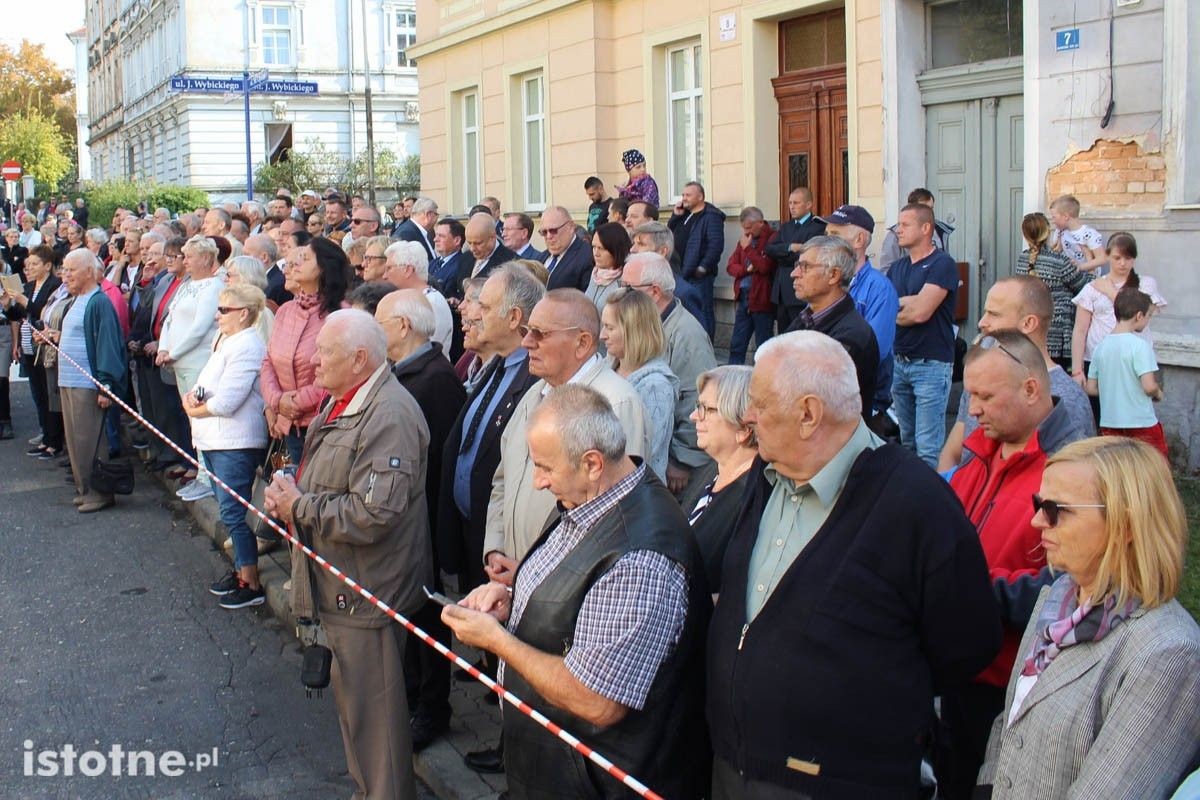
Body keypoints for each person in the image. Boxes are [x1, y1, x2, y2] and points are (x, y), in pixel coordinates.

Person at [707, 330, 1001, 799]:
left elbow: (965, 645)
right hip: (734, 770)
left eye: (759, 403)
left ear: (808, 413)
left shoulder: (916, 506)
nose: (747, 415)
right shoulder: (767, 477)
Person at [442, 384, 711, 800]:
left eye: (545, 468)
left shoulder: (641, 557)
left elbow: (596, 700)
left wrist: (498, 640)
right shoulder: (594, 498)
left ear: (591, 463)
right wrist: (516, 602)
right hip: (556, 772)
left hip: (594, 785)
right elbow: (579, 600)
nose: (537, 482)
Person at [264, 309, 432, 800]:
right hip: (343, 585)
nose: (313, 362)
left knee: (375, 727)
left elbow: (374, 513)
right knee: (356, 715)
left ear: (360, 359)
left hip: (366, 590)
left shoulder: (389, 414)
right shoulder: (349, 400)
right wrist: (294, 494)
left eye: (325, 353)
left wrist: (302, 505)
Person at [977, 437, 1200, 799]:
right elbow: (1010, 722)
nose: (1036, 520)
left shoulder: (1167, 653)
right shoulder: (1058, 599)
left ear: (1126, 523)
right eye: (1038, 503)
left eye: (1055, 508)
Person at [939, 331, 1087, 799]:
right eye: (969, 396)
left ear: (1031, 389)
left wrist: (972, 590)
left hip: (1013, 686)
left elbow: (1068, 586)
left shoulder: (1070, 473)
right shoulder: (978, 457)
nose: (973, 410)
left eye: (984, 396)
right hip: (957, 672)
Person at [481, 288, 650, 587]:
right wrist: (495, 547)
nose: (526, 342)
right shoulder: (537, 393)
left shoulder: (616, 403)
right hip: (517, 577)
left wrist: (537, 569)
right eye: (525, 331)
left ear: (582, 342)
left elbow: (615, 517)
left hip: (565, 590)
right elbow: (502, 479)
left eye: (539, 333)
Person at [376, 288, 466, 752]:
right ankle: (411, 694)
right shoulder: (406, 372)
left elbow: (441, 459)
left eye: (381, 321)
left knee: (427, 613)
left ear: (405, 326)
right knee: (409, 609)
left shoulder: (434, 378)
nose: (376, 329)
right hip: (408, 518)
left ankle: (433, 706)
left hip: (425, 518)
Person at [439, 264, 544, 592]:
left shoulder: (536, 380)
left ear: (514, 318)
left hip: (505, 549)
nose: (473, 314)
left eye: (484, 307)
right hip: (475, 535)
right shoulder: (495, 364)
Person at [939, 275, 1096, 473]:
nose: (981, 322)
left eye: (993, 314)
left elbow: (1068, 484)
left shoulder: (1066, 399)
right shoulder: (983, 377)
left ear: (1029, 323)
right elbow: (954, 452)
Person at [185, 284, 270, 609]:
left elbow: (229, 400)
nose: (217, 316)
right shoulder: (227, 341)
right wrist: (195, 396)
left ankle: (251, 580)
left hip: (235, 440)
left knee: (235, 511)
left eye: (224, 310)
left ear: (244, 313)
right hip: (216, 438)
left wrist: (195, 408)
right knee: (227, 508)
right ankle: (240, 569)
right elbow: (209, 384)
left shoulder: (248, 345)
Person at [620, 252, 716, 495]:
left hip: (670, 467)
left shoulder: (687, 334)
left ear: (654, 292)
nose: (621, 295)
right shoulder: (640, 325)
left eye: (628, 288)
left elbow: (699, 397)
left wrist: (682, 459)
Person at [53, 250, 129, 514]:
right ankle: (85, 488)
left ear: (88, 271)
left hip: (87, 383)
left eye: (71, 270)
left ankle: (100, 492)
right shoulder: (77, 299)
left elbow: (108, 345)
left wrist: (105, 384)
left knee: (91, 440)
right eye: (64, 269)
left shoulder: (99, 302)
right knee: (75, 441)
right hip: (69, 381)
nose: (66, 275)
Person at [889, 202, 960, 467]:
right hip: (900, 362)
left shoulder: (942, 264)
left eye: (905, 225)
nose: (898, 230)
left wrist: (904, 305)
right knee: (907, 441)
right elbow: (891, 307)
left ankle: (931, 502)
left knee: (928, 447)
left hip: (931, 364)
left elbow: (921, 313)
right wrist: (907, 303)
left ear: (926, 228)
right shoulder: (897, 267)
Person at [157, 235, 225, 500]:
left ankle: (209, 477)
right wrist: (164, 348)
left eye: (189, 256)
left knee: (201, 417)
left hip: (197, 362)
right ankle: (200, 472)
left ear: (206, 259)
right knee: (191, 419)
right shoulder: (186, 285)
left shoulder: (213, 286)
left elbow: (200, 328)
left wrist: (173, 353)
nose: (184, 260)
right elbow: (170, 319)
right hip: (179, 363)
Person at [678, 365, 756, 594]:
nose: (694, 417)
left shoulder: (754, 494)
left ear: (744, 427)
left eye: (705, 409)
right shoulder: (711, 469)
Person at [820, 204, 899, 424]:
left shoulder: (879, 288)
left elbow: (872, 351)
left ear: (859, 240)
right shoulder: (826, 281)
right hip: (828, 395)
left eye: (835, 234)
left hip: (863, 400)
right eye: (826, 234)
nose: (826, 241)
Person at [787, 236, 879, 421]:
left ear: (834, 275)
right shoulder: (804, 320)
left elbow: (808, 396)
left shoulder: (851, 335)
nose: (794, 273)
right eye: (798, 264)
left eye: (805, 266)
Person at [1070, 232, 1166, 404]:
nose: (1122, 263)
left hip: (1135, 363)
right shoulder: (1093, 287)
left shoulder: (1145, 284)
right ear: (1108, 256)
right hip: (1098, 361)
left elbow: (1139, 321)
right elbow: (1080, 330)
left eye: (1128, 258)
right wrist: (1077, 370)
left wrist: (1110, 291)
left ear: (1134, 259)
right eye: (1117, 257)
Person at [601, 288, 678, 480]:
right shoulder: (607, 366)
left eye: (610, 328)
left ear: (633, 330)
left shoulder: (655, 387)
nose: (602, 335)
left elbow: (642, 452)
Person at [1086, 288, 1168, 457]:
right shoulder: (1140, 346)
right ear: (1139, 316)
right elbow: (1148, 386)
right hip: (1141, 422)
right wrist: (1158, 393)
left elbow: (1091, 388)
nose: (1147, 321)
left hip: (1110, 423)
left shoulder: (1100, 348)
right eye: (1148, 316)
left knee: (1118, 470)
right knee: (1155, 467)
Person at [7, 246, 63, 455]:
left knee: (50, 395)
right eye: (28, 264)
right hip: (29, 346)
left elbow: (42, 312)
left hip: (45, 347)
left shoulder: (54, 286)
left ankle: (54, 441)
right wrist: (8, 306)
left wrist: (23, 301)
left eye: (34, 264)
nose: (29, 267)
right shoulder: (30, 286)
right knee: (38, 394)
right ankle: (45, 434)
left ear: (47, 266)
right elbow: (18, 314)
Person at [1014, 212, 1088, 371]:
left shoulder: (1022, 259)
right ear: (1047, 232)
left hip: (1031, 332)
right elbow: (1082, 285)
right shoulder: (1059, 260)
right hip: (1058, 333)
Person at [668, 181, 726, 338]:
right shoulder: (684, 215)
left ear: (700, 197)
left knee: (703, 313)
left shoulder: (711, 217)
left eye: (688, 195)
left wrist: (703, 267)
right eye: (683, 195)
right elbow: (668, 233)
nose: (684, 198)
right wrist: (675, 216)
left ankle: (706, 349)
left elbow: (715, 245)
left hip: (698, 276)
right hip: (680, 273)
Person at [765, 187, 825, 331]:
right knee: (783, 336)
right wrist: (790, 247)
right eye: (790, 203)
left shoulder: (817, 227)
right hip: (781, 292)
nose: (792, 207)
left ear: (809, 204)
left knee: (800, 336)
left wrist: (783, 253)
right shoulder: (786, 227)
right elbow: (769, 249)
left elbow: (806, 255)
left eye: (796, 203)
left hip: (800, 292)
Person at [381, 240, 454, 357]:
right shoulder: (415, 299)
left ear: (408, 270)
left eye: (389, 268)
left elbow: (425, 351)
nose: (384, 276)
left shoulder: (432, 303)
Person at [725, 206, 777, 365]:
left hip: (761, 298)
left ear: (760, 223)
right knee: (737, 343)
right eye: (743, 228)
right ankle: (732, 378)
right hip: (743, 297)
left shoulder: (772, 238)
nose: (746, 232)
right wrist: (745, 270)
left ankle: (763, 378)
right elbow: (730, 266)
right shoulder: (744, 239)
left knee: (763, 345)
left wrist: (748, 249)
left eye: (748, 228)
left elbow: (764, 266)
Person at [629, 221, 705, 323]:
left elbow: (694, 335)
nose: (632, 250)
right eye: (633, 243)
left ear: (662, 251)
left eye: (641, 244)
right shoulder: (633, 283)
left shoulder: (684, 293)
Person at [878, 187, 955, 272]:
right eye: (923, 208)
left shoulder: (941, 230)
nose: (928, 213)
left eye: (931, 208)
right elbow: (886, 270)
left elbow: (945, 263)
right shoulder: (895, 234)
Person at [537, 206, 594, 292]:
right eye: (544, 232)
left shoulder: (587, 257)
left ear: (571, 227)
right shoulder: (541, 258)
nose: (548, 236)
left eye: (553, 230)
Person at [1049, 193, 1106, 274]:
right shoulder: (1059, 232)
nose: (1053, 221)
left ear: (1066, 216)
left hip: (1087, 277)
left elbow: (1102, 259)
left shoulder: (1088, 234)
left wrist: (1080, 267)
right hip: (1069, 276)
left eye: (1054, 217)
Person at [584, 221, 631, 316]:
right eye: (594, 247)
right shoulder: (595, 274)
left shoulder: (626, 279)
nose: (596, 253)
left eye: (601, 248)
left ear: (615, 249)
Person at [225, 255, 276, 343]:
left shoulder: (261, 312)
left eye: (229, 275)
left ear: (246, 277)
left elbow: (261, 348)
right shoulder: (234, 306)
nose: (225, 279)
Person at [460, 212, 519, 287]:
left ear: (492, 238)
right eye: (469, 243)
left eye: (478, 243)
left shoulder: (511, 263)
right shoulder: (465, 258)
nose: (472, 249)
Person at [391, 196, 438, 261]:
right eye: (435, 214)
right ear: (428, 215)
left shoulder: (418, 230)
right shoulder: (406, 233)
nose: (437, 218)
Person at [430, 219, 467, 298]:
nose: (435, 239)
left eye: (441, 236)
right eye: (436, 235)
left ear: (457, 240)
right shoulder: (432, 263)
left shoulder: (462, 266)